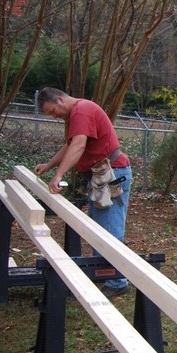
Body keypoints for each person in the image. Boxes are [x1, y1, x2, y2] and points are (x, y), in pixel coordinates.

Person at [34, 87, 131, 299]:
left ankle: (117, 281)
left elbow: (78, 145)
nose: (54, 116)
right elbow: (69, 145)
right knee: (99, 229)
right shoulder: (77, 113)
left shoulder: (82, 110)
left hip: (111, 175)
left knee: (109, 230)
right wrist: (50, 165)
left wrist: (59, 175)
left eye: (52, 111)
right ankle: (107, 276)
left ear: (60, 100)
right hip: (100, 177)